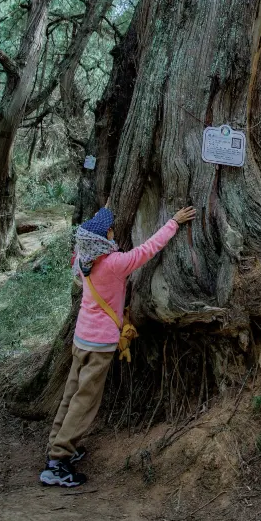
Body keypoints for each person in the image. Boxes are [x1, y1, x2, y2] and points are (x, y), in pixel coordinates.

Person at [39, 203, 197, 487]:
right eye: (110, 230)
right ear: (103, 238)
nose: (113, 232)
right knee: (85, 401)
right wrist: (173, 222)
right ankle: (58, 462)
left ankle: (58, 447)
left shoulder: (83, 260)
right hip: (99, 345)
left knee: (71, 393)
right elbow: (147, 250)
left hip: (81, 340)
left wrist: (106, 207)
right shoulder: (113, 264)